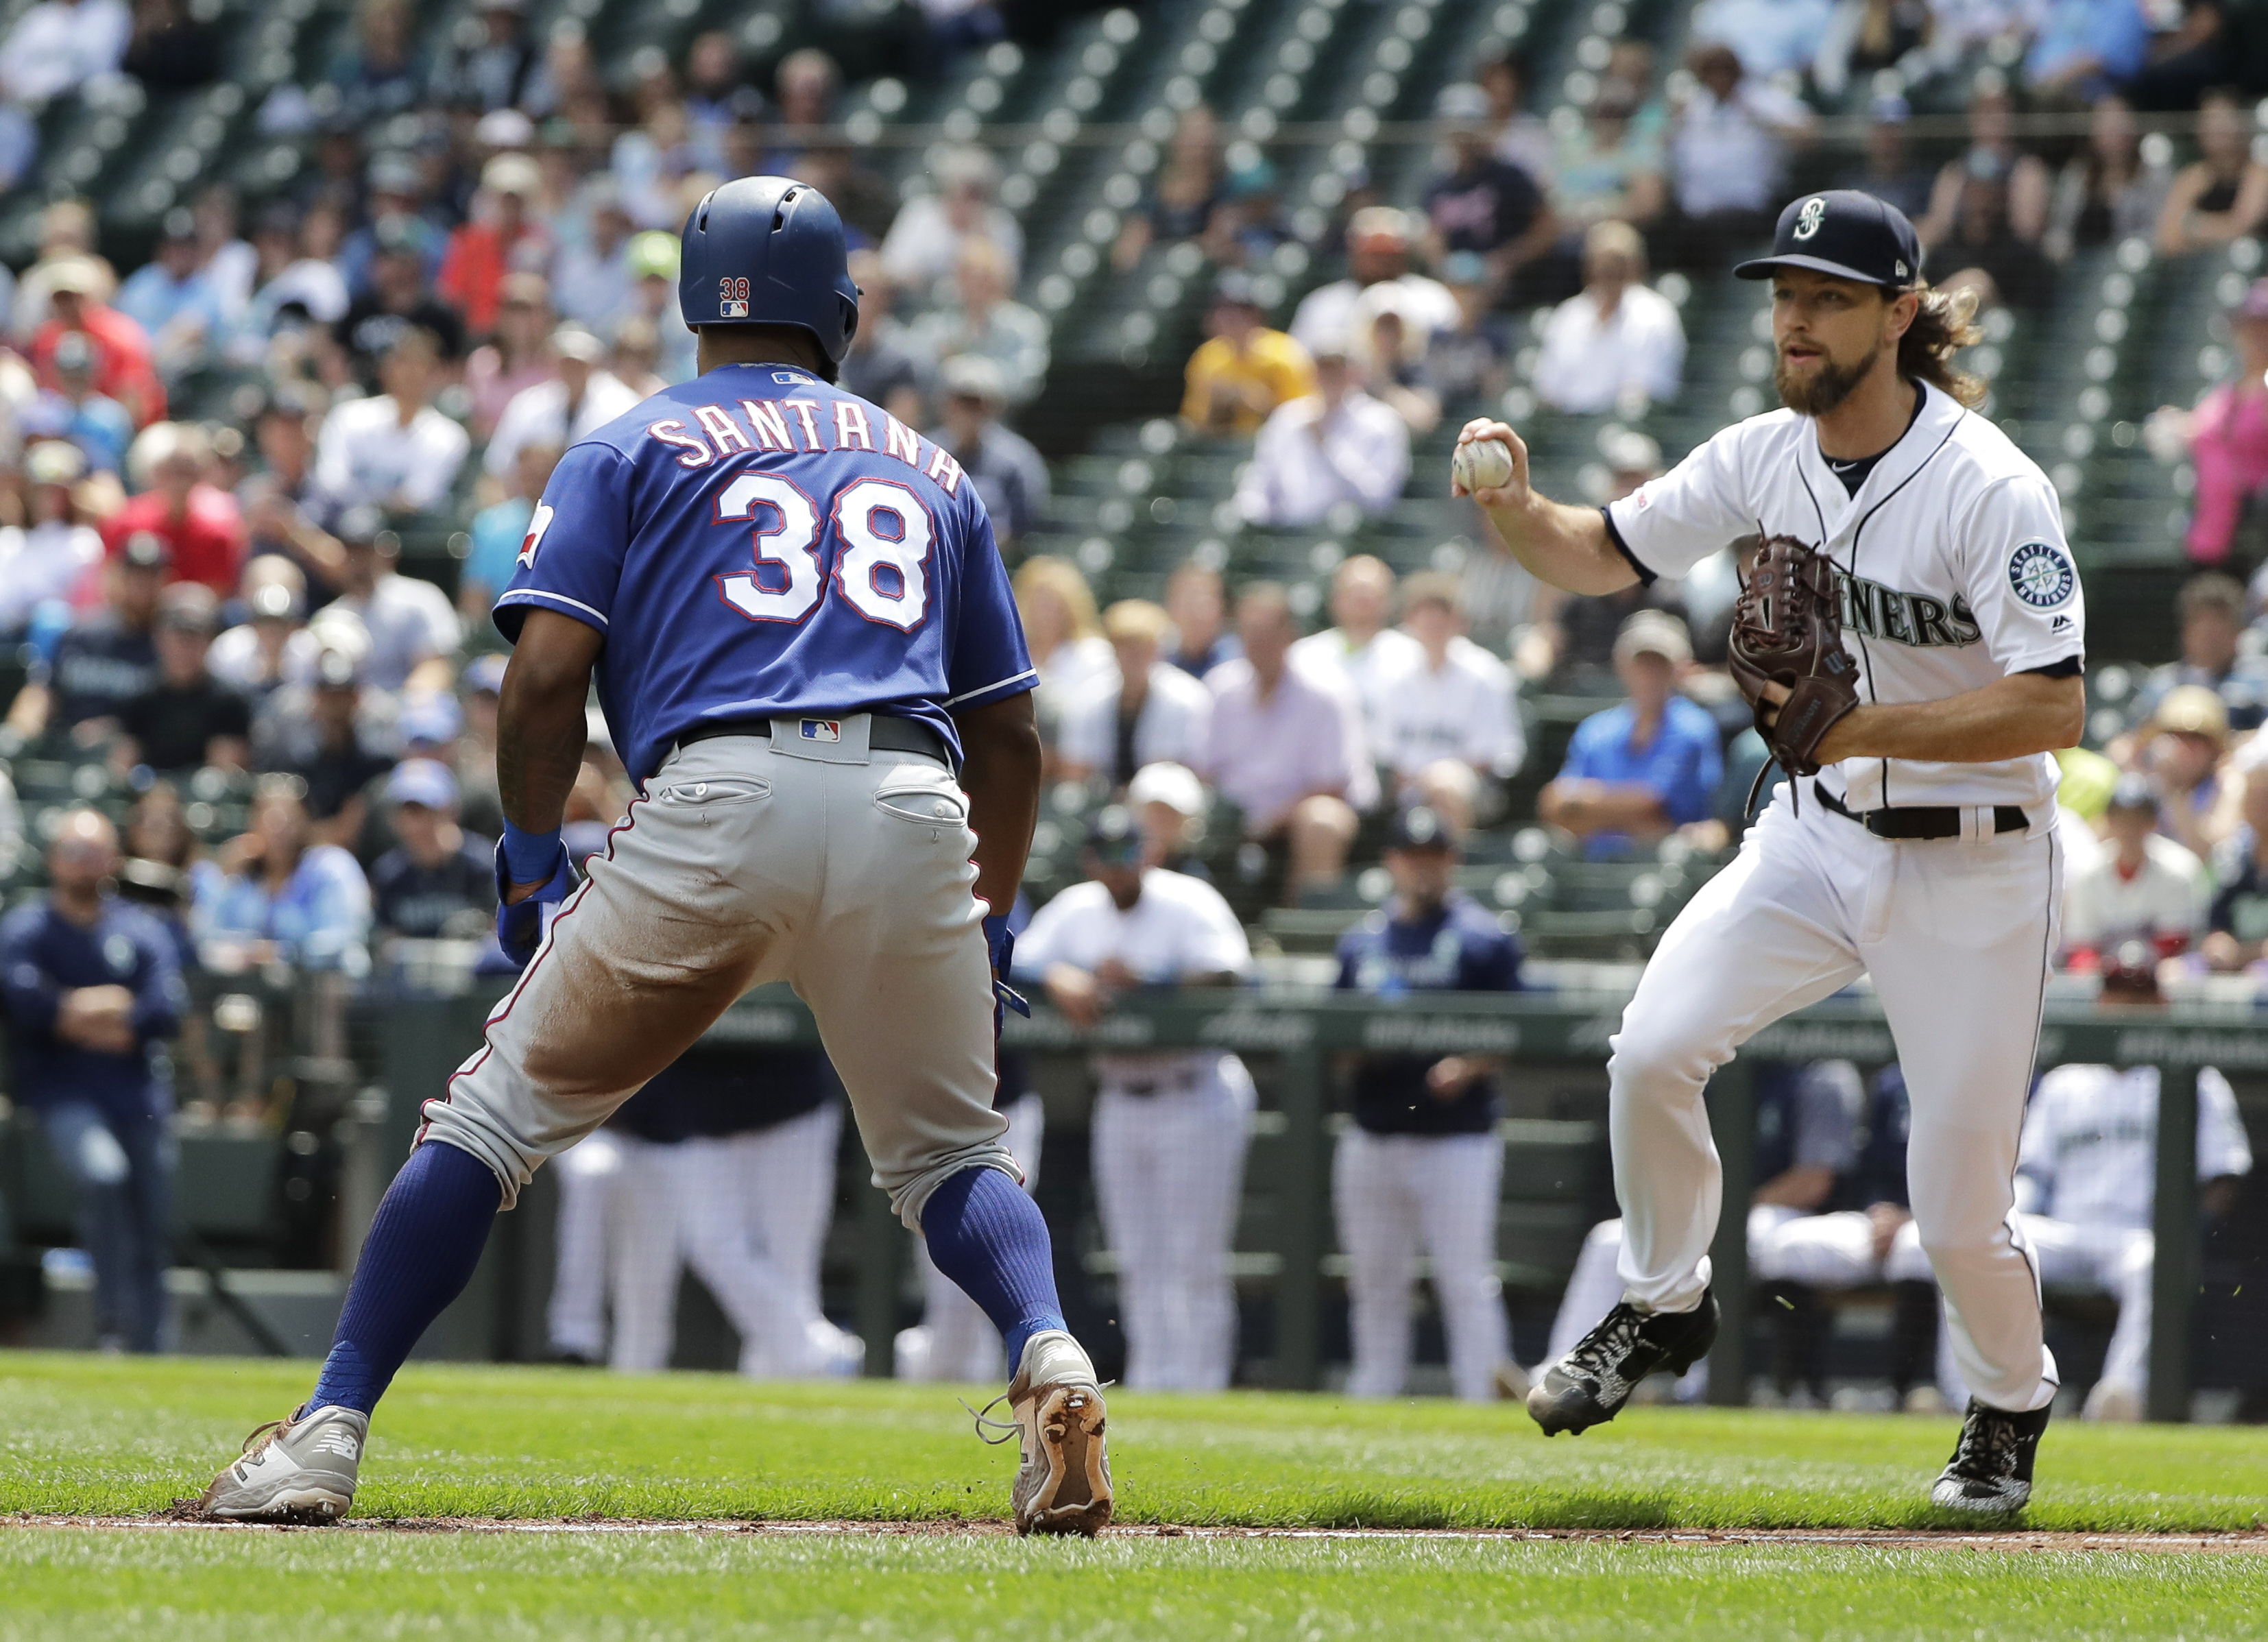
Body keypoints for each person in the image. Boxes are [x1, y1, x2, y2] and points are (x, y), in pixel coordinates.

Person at [196, 176, 1113, 1538]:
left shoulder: (627, 443)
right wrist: (988, 915)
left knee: (490, 1123)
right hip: (912, 796)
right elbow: (1017, 739)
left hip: (721, 789)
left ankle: (324, 1431)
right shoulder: (930, 465)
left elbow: (545, 671)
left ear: (699, 301)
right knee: (947, 1159)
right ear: (838, 311)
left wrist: (522, 857)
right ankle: (1051, 1357)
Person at [1458, 189, 2087, 1511]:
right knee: (1651, 1048)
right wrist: (1520, 511)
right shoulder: (1760, 454)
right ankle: (1664, 1301)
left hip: (1978, 861)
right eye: (1782, 296)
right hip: (1812, 835)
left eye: (1826, 299)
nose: (1792, 321)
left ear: (1897, 314)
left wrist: (1866, 722)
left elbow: (2054, 703)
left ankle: (2006, 1402)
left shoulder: (1989, 487)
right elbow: (1602, 552)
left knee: (1955, 1212)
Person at [1015, 808, 1254, 1391]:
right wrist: (1059, 974)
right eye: (1109, 853)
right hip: (1120, 1096)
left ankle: (1203, 1384)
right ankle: (1153, 1381)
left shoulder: (1188, 899)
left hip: (1193, 1090)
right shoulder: (1077, 907)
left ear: (1147, 852)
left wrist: (1148, 980)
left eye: (1131, 851)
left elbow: (1229, 974)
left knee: (1194, 1257)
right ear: (1091, 859)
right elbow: (1015, 955)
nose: (1121, 865)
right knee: (1135, 1256)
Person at [1910, 1048, 2252, 1421]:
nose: (2129, 998)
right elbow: (2032, 1171)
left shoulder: (2198, 1078)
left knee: (2152, 1262)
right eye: (2117, 988)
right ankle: (1968, 1399)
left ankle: (2121, 1398)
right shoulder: (2065, 1081)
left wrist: (2185, 1231)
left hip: (2138, 1234)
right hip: (2064, 1230)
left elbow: (2224, 1173)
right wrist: (2007, 1219)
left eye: (2142, 989)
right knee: (1975, 1245)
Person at [1332, 805, 1526, 1403]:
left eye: (1434, 857)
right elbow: (1332, 1035)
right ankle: (1375, 1394)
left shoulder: (1486, 939)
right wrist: (1363, 1052)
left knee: (1465, 1278)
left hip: (1457, 1136)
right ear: (1392, 862)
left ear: (1452, 862)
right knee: (1375, 1279)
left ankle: (1481, 1396)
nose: (1423, 869)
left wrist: (1468, 1064)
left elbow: (1518, 1030)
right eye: (1412, 857)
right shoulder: (1362, 941)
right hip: (1375, 1130)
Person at [1543, 1061, 1863, 1403]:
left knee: (1737, 1239)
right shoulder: (1707, 1069)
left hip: (1792, 1221)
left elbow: (1813, 1181)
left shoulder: (1821, 1077)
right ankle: (1560, 1376)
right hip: (1715, 1211)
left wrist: (1720, 1215)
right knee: (1609, 1240)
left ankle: (1696, 1389)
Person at [0, 809, 182, 1353]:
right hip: (62, 1093)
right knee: (104, 1175)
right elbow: (28, 1006)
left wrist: (73, 1015)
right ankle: (112, 1326)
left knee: (152, 1222)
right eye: (74, 852)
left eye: (95, 851)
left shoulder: (140, 927)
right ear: (55, 859)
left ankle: (153, 1350)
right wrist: (109, 1009)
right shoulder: (27, 928)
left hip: (138, 1097)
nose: (84, 864)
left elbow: (164, 1009)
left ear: (114, 858)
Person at [603, 1048, 862, 1378]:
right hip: (702, 1111)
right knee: (711, 1243)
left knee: (792, 1262)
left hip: (792, 1103)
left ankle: (778, 1389)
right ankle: (824, 1355)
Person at [1204, 583, 1375, 902]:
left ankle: (1302, 930)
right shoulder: (1222, 688)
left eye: (1267, 634)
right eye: (1250, 633)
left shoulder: (1325, 693)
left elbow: (1331, 785)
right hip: (1237, 815)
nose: (1258, 644)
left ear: (1289, 635)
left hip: (1302, 814)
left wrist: (1268, 822)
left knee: (1321, 819)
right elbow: (1207, 771)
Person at [1539, 611, 1722, 856]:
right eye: (1641, 664)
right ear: (1622, 666)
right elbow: (1554, 804)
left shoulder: (1694, 728)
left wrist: (1588, 806)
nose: (1649, 675)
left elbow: (1653, 807)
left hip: (1664, 870)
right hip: (1594, 867)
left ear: (1678, 670)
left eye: (1659, 664)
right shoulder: (1595, 730)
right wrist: (1630, 814)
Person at [1370, 572, 1525, 832]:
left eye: (1442, 613)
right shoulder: (1392, 676)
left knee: (1445, 783)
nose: (1433, 622)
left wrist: (1431, 780)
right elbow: (1385, 753)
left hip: (1470, 791)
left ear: (1459, 620)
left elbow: (1490, 758)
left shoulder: (1486, 674)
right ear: (1409, 620)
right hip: (1404, 792)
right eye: (1424, 613)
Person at [190, 775, 373, 972]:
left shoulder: (331, 867)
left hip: (319, 985)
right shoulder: (242, 874)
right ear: (254, 822)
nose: (279, 829)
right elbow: (207, 937)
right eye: (271, 819)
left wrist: (282, 953)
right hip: (251, 989)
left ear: (306, 821)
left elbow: (344, 937)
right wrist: (225, 877)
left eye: (289, 819)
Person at [6, 531, 166, 747]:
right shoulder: (82, 633)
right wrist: (20, 731)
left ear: (163, 580)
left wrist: (116, 728)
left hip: (127, 759)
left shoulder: (168, 646)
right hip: (64, 748)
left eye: (149, 575)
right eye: (134, 573)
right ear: (119, 575)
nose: (140, 583)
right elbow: (44, 691)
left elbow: (171, 716)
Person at [2153, 282, 2268, 572]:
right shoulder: (2225, 393)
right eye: (2249, 327)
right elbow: (2194, 431)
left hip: (2258, 544)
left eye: (2263, 328)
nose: (2255, 337)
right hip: (2211, 538)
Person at [1233, 341, 1410, 527]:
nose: (1328, 377)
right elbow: (1260, 478)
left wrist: (1327, 446)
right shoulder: (1288, 417)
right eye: (1322, 368)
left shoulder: (1382, 422)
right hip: (1288, 532)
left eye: (1337, 368)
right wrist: (1251, 513)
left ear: (1354, 373)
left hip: (1351, 535)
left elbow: (1379, 498)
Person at [311, 328, 470, 519]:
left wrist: (366, 498)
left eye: (422, 365)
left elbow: (418, 498)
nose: (411, 373)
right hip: (340, 525)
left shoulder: (449, 436)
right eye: (403, 362)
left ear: (436, 374)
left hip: (407, 535)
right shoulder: (349, 416)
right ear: (386, 368)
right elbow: (330, 481)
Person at [1531, 221, 1685, 415]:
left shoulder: (1655, 314)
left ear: (1636, 267)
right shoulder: (1569, 314)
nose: (1607, 273)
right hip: (1568, 425)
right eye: (1600, 266)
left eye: (1617, 266)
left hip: (1623, 428)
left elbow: (1647, 392)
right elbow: (1548, 389)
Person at [1057, 599, 1214, 787]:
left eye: (1143, 649)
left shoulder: (1188, 699)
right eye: (1126, 648)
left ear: (1158, 650)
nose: (1134, 658)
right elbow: (1075, 769)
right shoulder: (1088, 699)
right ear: (1113, 651)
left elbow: (1178, 772)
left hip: (1164, 805)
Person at [2061, 775, 2207, 966]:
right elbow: (2081, 945)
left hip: (2161, 979)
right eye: (2121, 818)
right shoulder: (2086, 870)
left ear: (2154, 822)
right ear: (2109, 821)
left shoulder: (2180, 868)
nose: (2129, 827)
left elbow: (2177, 943)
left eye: (2139, 818)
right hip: (2104, 980)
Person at [116, 581, 252, 775]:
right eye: (179, 638)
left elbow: (225, 775)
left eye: (195, 638)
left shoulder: (230, 702)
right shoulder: (138, 696)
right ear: (159, 638)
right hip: (148, 798)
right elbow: (123, 767)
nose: (185, 649)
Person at [1289, 208, 1459, 362]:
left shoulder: (1432, 299)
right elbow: (1301, 363)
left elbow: (1452, 358)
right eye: (1373, 253)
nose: (1381, 262)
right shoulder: (1324, 305)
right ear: (1354, 253)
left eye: (1389, 253)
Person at [483, 322, 640, 485]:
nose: (572, 370)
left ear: (595, 363)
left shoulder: (623, 405)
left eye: (579, 363)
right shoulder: (528, 404)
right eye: (566, 362)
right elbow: (498, 466)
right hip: (534, 502)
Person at [328, 508, 462, 692]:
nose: (358, 560)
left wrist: (406, 706)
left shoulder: (421, 598)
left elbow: (436, 667)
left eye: (365, 551)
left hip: (404, 709)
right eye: (351, 551)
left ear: (385, 551)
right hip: (350, 711)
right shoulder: (332, 615)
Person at [104, 420, 246, 594]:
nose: (179, 482)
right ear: (156, 473)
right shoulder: (126, 523)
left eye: (187, 472)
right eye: (171, 472)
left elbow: (217, 594)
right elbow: (112, 585)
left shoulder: (218, 533)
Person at [1286, 555, 1421, 732]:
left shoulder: (1414, 656)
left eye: (1371, 593)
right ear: (1335, 599)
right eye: (1354, 592)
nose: (1363, 601)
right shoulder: (1303, 656)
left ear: (1389, 600)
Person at [928, 354, 1048, 553]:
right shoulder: (927, 451)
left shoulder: (1018, 459)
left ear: (993, 407)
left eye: (974, 402)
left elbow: (1024, 529)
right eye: (958, 400)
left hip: (995, 564)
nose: (965, 410)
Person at [910, 239, 1048, 407]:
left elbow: (1027, 381)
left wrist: (971, 372)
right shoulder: (935, 323)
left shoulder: (1025, 325)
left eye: (986, 278)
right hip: (941, 420)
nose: (977, 285)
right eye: (969, 275)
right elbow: (916, 373)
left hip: (998, 422)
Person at [370, 758, 494, 941]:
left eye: (421, 809)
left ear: (450, 811)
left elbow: (500, 934)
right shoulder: (388, 875)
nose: (411, 824)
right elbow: (384, 940)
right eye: (404, 811)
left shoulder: (483, 865)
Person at [1180, 272, 1316, 439]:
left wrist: (1262, 403)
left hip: (1276, 447)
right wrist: (1218, 405)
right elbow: (1194, 424)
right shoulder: (1207, 358)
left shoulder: (1285, 353)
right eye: (1222, 310)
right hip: (1226, 450)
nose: (1229, 318)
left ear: (1256, 314)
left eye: (1239, 310)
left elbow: (1307, 419)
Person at [2125, 574, 2268, 732]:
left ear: (2238, 631)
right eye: (2202, 627)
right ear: (2186, 631)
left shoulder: (2260, 682)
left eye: (2220, 628)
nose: (2210, 639)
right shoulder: (2161, 685)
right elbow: (2135, 738)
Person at [2155, 88, 2268, 257]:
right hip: (2198, 269)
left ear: (2242, 125)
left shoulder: (2259, 174)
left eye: (2225, 119)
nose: (2218, 128)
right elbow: (2167, 238)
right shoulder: (2192, 178)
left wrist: (2193, 225)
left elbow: (2242, 227)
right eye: (2211, 120)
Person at [1162, 557, 1238, 679]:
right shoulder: (1158, 664)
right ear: (1170, 608)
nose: (1196, 611)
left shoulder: (1241, 665)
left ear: (1223, 608)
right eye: (1188, 600)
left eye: (1205, 601)